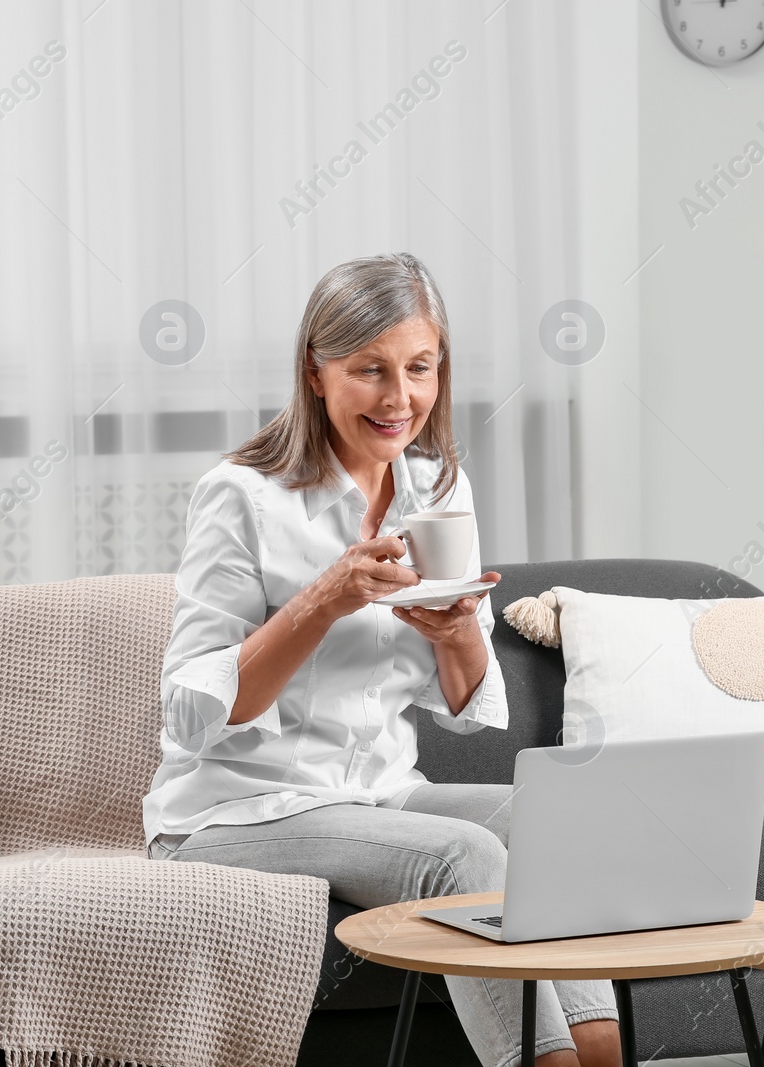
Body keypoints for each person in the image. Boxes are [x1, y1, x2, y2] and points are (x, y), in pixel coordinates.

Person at [142, 253, 621, 1067]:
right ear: (316, 372)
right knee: (461, 854)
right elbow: (190, 714)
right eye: (370, 370)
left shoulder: (436, 487)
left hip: (378, 791)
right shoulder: (242, 495)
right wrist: (322, 600)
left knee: (554, 819)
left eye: (420, 367)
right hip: (234, 812)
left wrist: (457, 629)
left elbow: (470, 707)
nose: (401, 398)